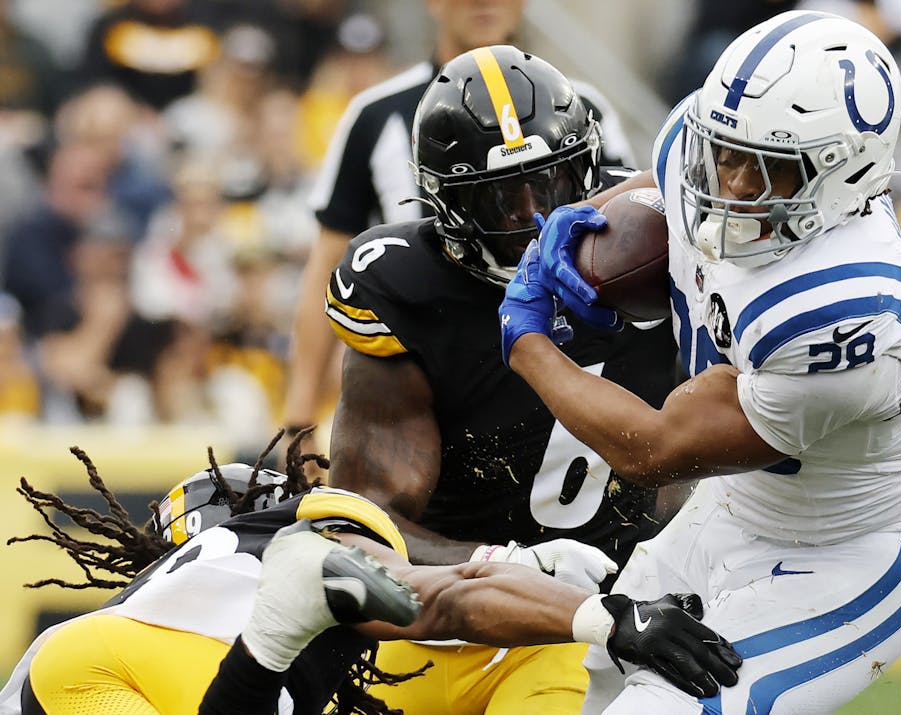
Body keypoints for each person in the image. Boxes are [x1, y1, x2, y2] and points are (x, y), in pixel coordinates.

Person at [498, 10, 901, 713]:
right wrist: (576, 228)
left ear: (846, 175)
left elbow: (653, 450)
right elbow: (664, 185)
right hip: (735, 508)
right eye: (727, 153)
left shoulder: (843, 307)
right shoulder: (703, 140)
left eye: (769, 169)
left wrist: (526, 336)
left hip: (843, 557)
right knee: (570, 690)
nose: (734, 185)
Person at [323, 43, 682, 714]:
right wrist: (507, 563)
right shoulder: (405, 286)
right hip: (440, 614)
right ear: (444, 202)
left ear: (589, 172)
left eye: (548, 184)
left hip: (604, 617)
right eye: (498, 197)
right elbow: (365, 524)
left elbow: (711, 434)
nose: (530, 216)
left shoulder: (651, 236)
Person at [0, 431, 741, 714]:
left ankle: (269, 643)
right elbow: (446, 602)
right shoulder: (309, 530)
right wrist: (599, 613)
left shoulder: (148, 609)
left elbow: (448, 598)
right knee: (524, 638)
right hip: (147, 668)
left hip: (92, 672)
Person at [283, 0, 634, 453]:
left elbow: (627, 226)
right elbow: (326, 268)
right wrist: (299, 420)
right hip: (435, 367)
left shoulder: (580, 105)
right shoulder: (375, 114)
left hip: (571, 350)